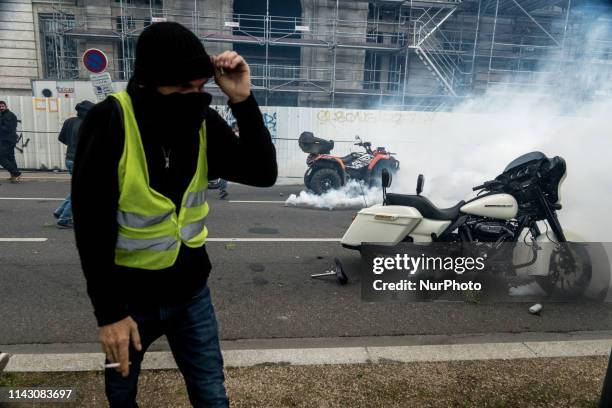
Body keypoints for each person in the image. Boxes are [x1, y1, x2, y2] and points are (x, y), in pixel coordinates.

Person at [72, 22, 277, 408]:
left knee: (212, 396)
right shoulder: (111, 121)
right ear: (150, 83)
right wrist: (110, 314)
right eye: (182, 88)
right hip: (129, 301)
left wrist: (242, 100)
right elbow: (90, 227)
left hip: (191, 294)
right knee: (121, 395)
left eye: (200, 88)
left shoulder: (200, 120)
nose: (194, 97)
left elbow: (262, 172)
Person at [54, 100, 94, 229]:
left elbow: (61, 138)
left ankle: (60, 211)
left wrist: (73, 145)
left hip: (70, 159)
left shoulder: (69, 121)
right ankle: (64, 218)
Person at [0, 101, 21, 183]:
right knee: (10, 157)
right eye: (0, 106)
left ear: (6, 106)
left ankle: (16, 173)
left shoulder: (8, 115)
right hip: (7, 139)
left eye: (2, 106)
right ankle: (14, 175)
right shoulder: (3, 115)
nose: (1, 107)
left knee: (1, 157)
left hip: (7, 140)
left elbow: (8, 128)